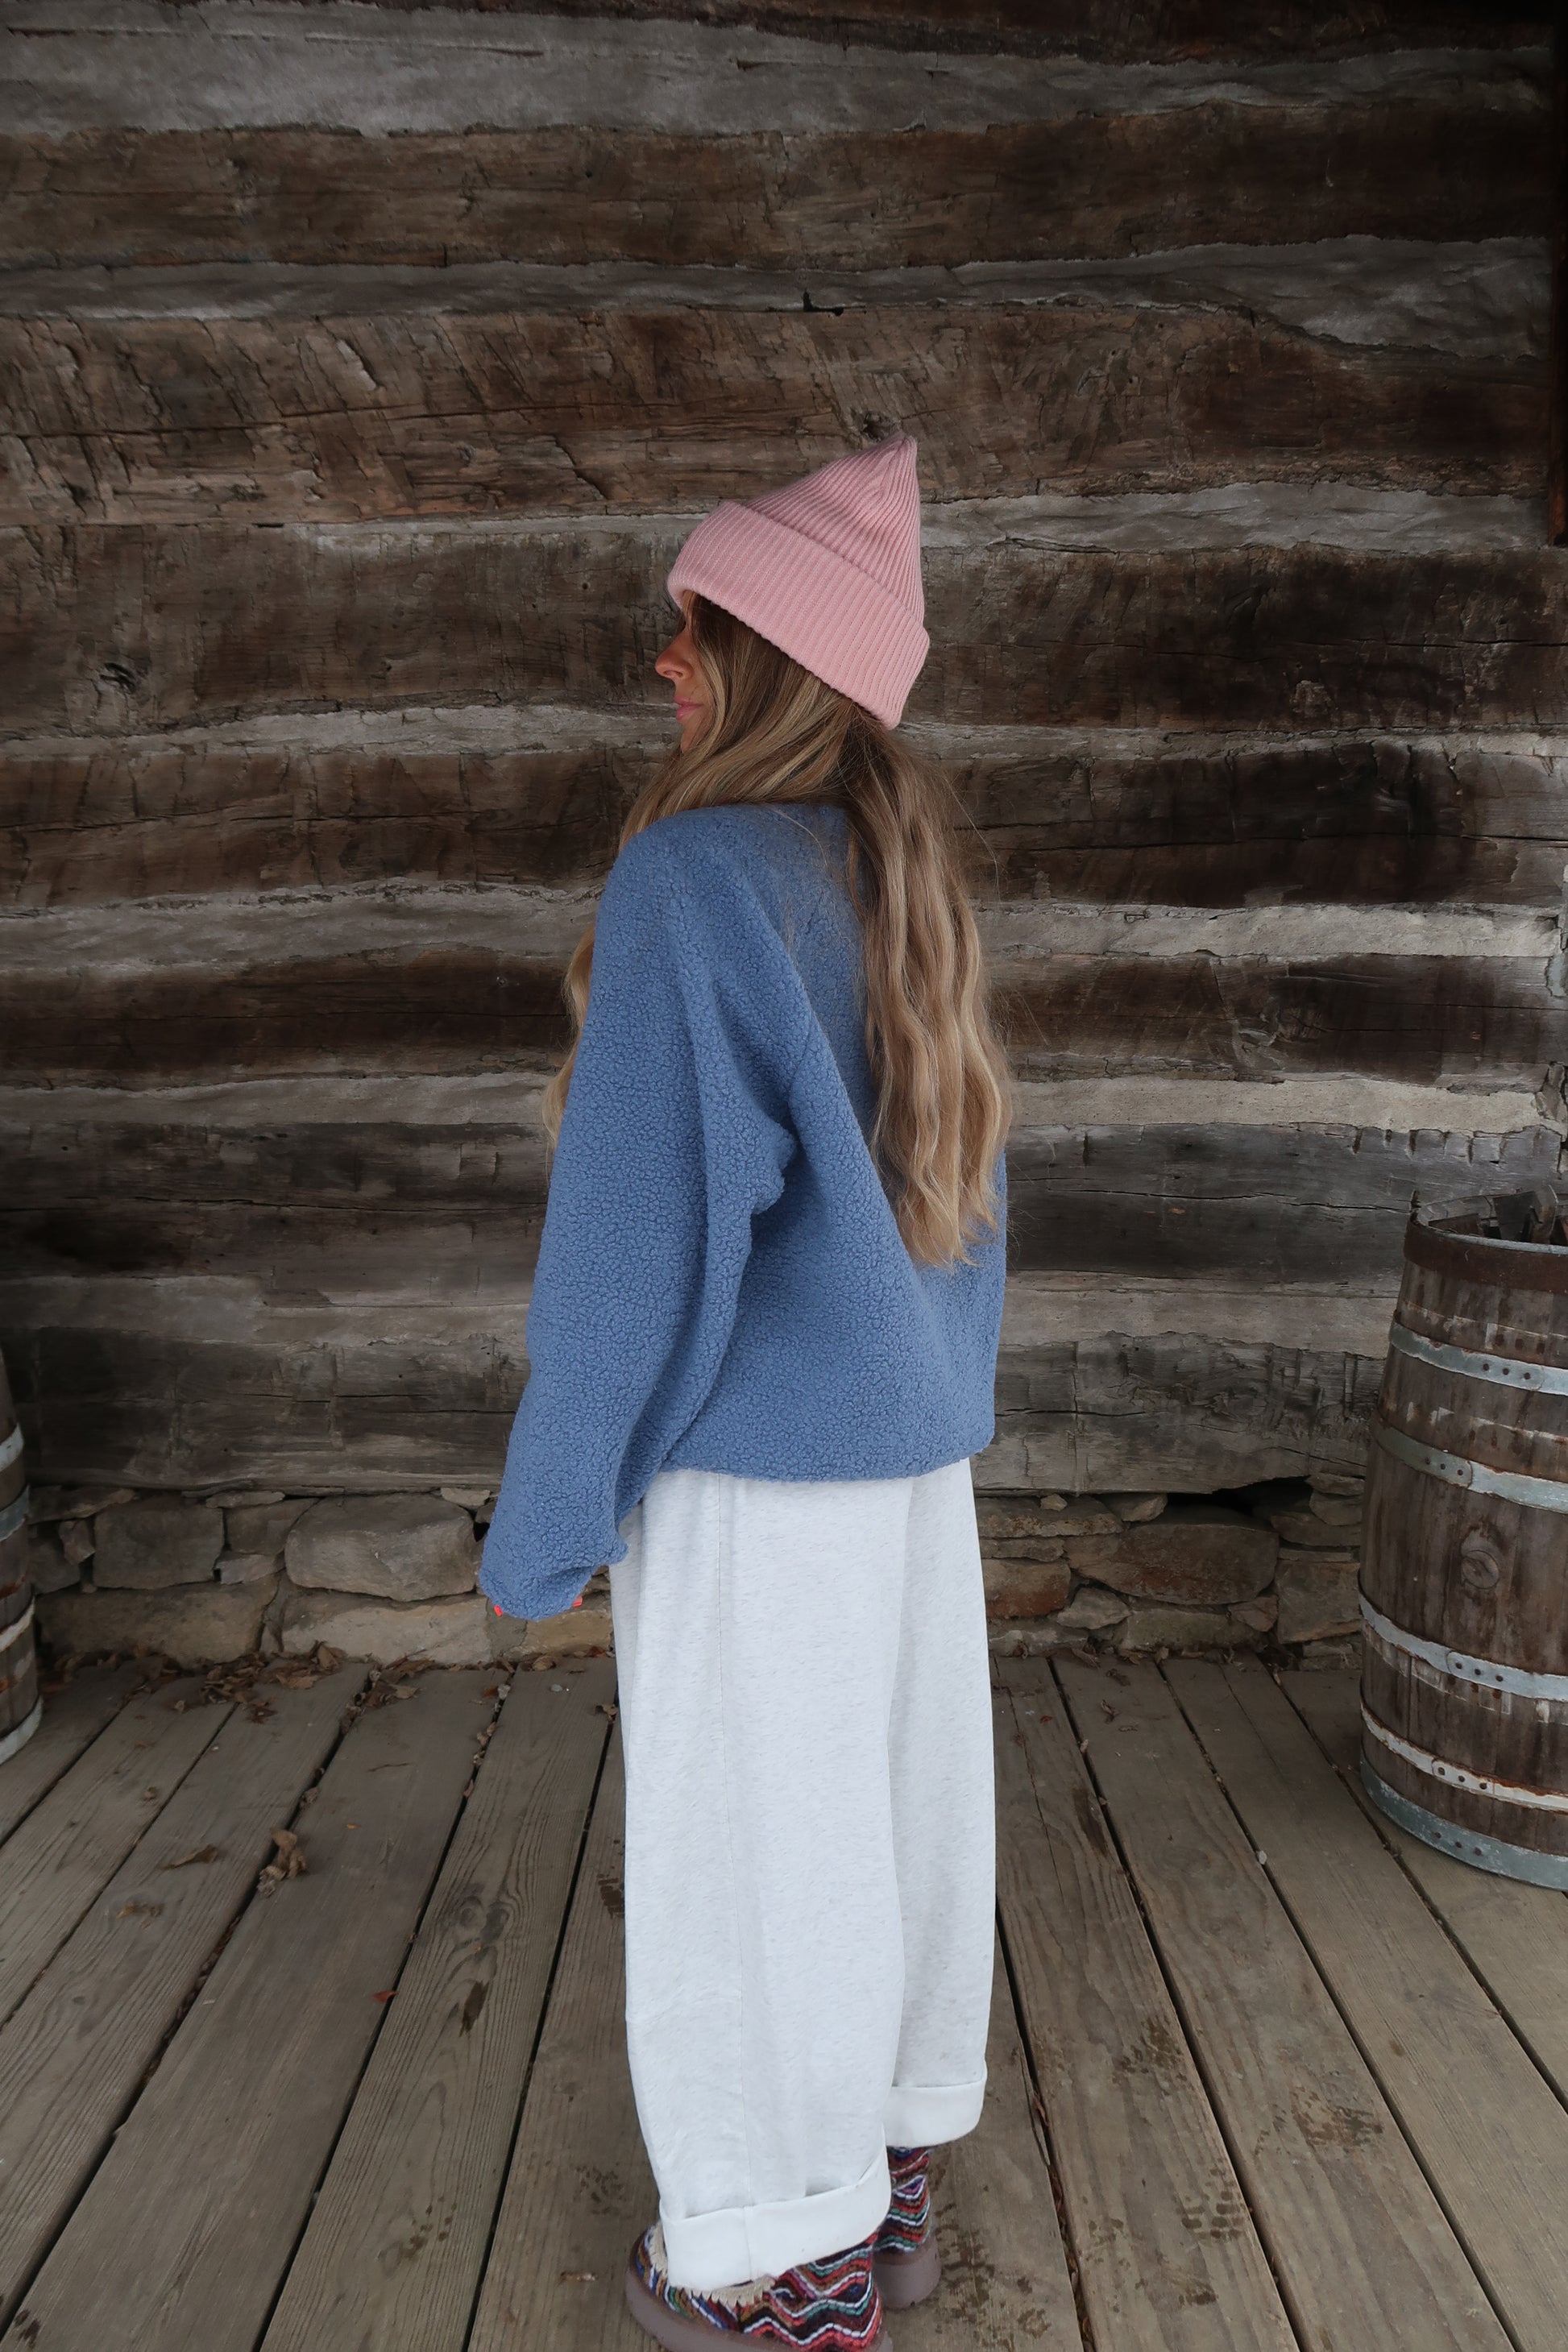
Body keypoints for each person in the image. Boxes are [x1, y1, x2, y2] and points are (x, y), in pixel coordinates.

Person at [479, 436, 1010, 2350]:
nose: (663, 660)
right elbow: (966, 1218)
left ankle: (789, 2265)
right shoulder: (895, 868)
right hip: (909, 1481)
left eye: (689, 626)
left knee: (758, 1864)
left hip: (758, 1482)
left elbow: (632, 1248)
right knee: (888, 1819)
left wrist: (545, 1519)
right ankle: (881, 2183)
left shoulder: (694, 878)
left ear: (757, 658)